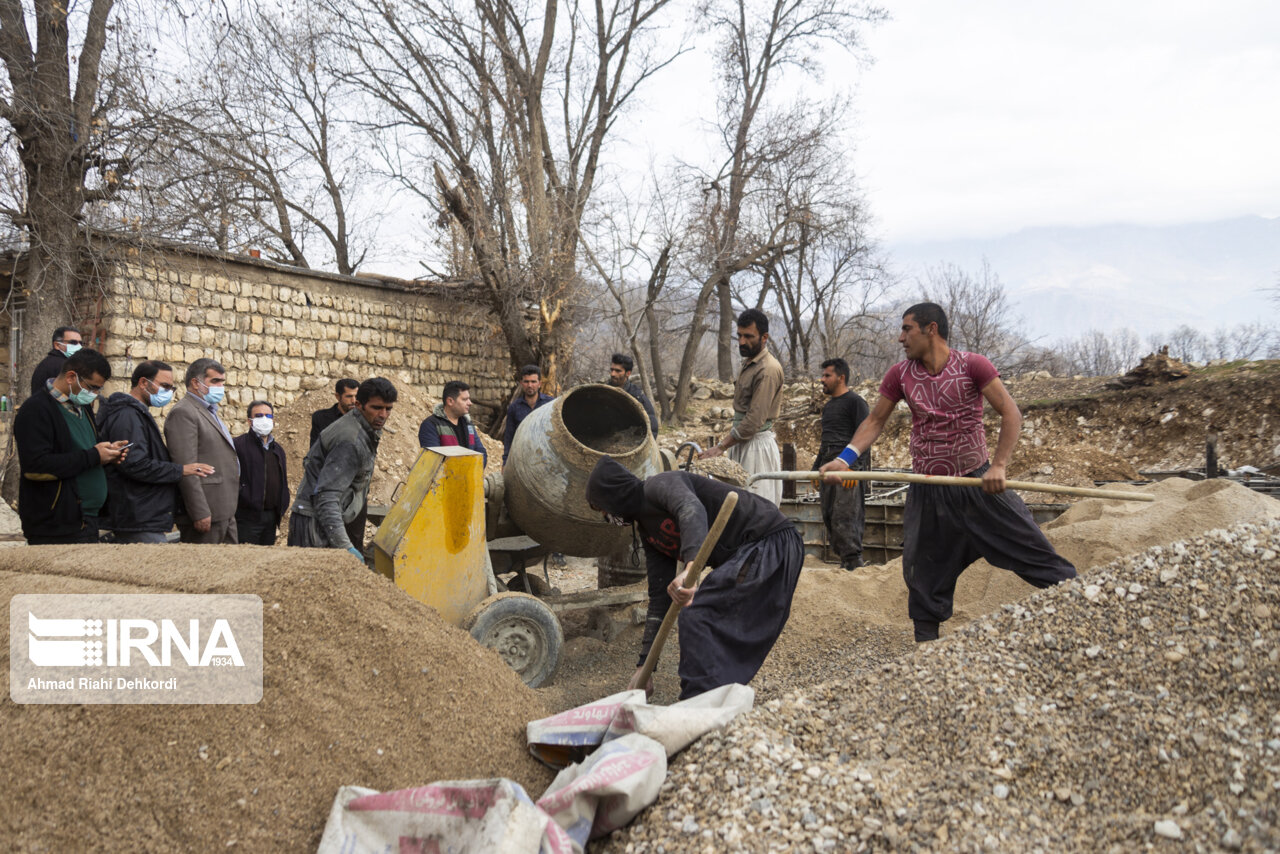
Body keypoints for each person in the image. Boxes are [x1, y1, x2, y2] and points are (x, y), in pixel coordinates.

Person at [820, 302, 1077, 642]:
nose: (900, 338)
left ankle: (1082, 607)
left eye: (907, 329)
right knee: (922, 574)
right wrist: (845, 459)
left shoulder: (973, 365)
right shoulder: (901, 374)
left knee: (1034, 552)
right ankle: (928, 655)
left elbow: (1010, 412)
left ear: (931, 329)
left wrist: (999, 465)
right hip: (928, 490)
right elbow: (875, 420)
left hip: (976, 484)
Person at [585, 457, 803, 700]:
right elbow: (659, 599)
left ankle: (697, 703)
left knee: (698, 615)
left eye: (602, 508)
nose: (606, 516)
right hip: (751, 553)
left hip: (769, 540)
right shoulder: (650, 535)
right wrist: (644, 668)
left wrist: (691, 569)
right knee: (707, 619)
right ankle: (715, 701)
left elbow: (691, 508)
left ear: (612, 496)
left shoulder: (659, 485)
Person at [14, 348, 127, 544]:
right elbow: (36, 467)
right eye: (91, 387)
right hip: (56, 525)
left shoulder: (81, 407)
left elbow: (82, 451)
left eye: (98, 389)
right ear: (71, 377)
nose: (95, 394)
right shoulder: (36, 410)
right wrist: (94, 456)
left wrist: (107, 455)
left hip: (87, 520)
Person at [97, 360, 214, 544]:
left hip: (144, 515)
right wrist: (180, 470)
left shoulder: (137, 413)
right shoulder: (127, 416)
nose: (168, 392)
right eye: (164, 386)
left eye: (171, 388)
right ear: (143, 383)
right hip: (137, 517)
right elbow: (134, 464)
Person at [288, 377, 397, 561]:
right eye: (376, 408)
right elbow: (327, 497)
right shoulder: (350, 441)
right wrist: (345, 547)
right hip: (314, 525)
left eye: (388, 409)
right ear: (359, 405)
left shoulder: (362, 427)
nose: (383, 415)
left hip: (321, 519)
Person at [698, 308, 785, 504]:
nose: (742, 342)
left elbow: (754, 420)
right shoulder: (749, 364)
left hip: (756, 448)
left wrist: (721, 446)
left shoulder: (768, 369)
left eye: (748, 336)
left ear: (764, 337)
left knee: (757, 506)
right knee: (737, 506)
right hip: (742, 443)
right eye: (739, 336)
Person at [165, 358, 241, 544]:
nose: (220, 387)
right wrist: (200, 512)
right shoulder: (184, 412)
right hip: (207, 512)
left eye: (222, 382)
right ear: (195, 383)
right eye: (215, 381)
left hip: (224, 509)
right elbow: (186, 467)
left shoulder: (209, 411)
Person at [815, 358, 870, 571]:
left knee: (845, 517)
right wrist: (815, 469)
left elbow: (865, 438)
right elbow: (825, 441)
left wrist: (854, 471)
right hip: (829, 469)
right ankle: (844, 564)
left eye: (827, 375)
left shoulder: (856, 402)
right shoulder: (829, 407)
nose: (822, 379)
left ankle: (853, 565)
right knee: (829, 516)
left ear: (841, 377)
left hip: (847, 470)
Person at [234, 400, 290, 546]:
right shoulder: (238, 446)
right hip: (247, 518)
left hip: (271, 518)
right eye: (259, 415)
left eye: (268, 416)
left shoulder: (278, 449)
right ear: (249, 421)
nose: (264, 419)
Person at [419, 380, 488, 466]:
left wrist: (472, 470)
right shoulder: (431, 425)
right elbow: (433, 461)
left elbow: (481, 453)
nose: (470, 403)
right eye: (465, 399)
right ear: (450, 401)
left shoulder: (468, 424)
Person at [502, 364, 553, 464]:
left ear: (540, 384)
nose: (530, 385)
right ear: (521, 383)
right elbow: (509, 438)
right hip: (522, 459)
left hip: (546, 460)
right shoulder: (514, 407)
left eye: (533, 382)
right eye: (526, 381)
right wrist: (505, 462)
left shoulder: (550, 405)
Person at [608, 353, 659, 437]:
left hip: (628, 443)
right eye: (612, 370)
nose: (612, 374)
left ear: (628, 373)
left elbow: (652, 428)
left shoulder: (637, 397)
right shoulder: (602, 392)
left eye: (618, 371)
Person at [30, 326, 83, 395]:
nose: (79, 346)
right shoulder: (62, 365)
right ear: (57, 345)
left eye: (80, 343)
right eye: (73, 342)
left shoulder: (49, 362)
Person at [310, 378, 359, 446]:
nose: (354, 401)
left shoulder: (364, 419)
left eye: (356, 396)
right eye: (349, 396)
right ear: (338, 396)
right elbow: (314, 451)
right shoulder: (321, 418)